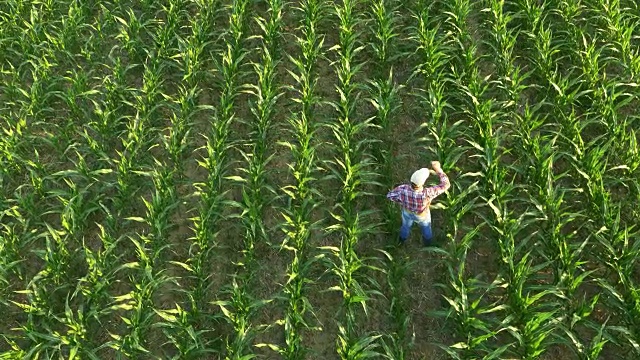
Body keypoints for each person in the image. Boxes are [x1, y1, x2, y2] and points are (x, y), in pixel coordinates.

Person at [386, 161, 450, 246]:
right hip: (422, 215)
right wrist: (439, 170)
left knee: (405, 227)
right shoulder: (427, 193)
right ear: (422, 183)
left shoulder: (402, 189)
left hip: (407, 212)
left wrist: (402, 201)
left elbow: (390, 196)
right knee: (426, 227)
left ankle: (401, 241)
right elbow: (446, 185)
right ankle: (428, 243)